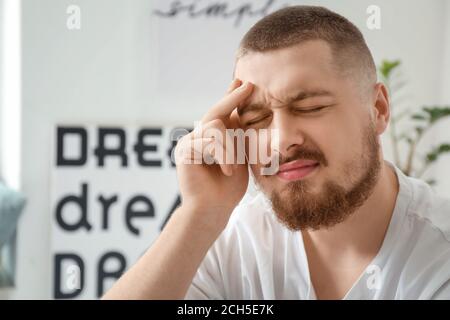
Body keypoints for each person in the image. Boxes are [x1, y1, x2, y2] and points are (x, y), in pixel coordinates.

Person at [103, 5, 450, 300]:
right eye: (257, 118)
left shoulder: (439, 254)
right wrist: (199, 213)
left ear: (378, 109)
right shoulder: (236, 241)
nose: (280, 141)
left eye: (311, 106)